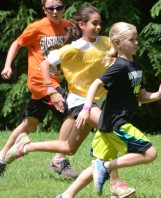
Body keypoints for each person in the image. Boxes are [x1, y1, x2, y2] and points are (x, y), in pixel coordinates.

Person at [5, 6, 136, 198]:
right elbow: (44, 64)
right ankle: (115, 184)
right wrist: (52, 90)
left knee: (69, 148)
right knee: (108, 128)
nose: (99, 27)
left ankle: (25, 146)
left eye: (100, 23)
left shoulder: (107, 43)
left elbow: (121, 59)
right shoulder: (73, 48)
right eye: (94, 23)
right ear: (82, 25)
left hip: (97, 102)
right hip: (80, 102)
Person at [56, 21, 161, 198]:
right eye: (131, 40)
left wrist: (159, 95)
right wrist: (86, 109)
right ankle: (105, 168)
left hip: (109, 124)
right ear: (118, 43)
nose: (136, 43)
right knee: (150, 153)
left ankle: (65, 196)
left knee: (95, 166)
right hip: (116, 123)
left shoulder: (136, 67)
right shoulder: (119, 66)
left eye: (136, 39)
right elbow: (95, 84)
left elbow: (141, 96)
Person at [0, 0, 79, 179]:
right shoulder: (37, 27)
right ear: (44, 10)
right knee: (73, 112)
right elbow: (17, 43)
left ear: (64, 8)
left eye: (59, 7)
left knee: (30, 124)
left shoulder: (69, 27)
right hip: (41, 81)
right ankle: (59, 159)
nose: (55, 11)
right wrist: (7, 65)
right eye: (50, 8)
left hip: (53, 80)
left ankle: (1, 159)